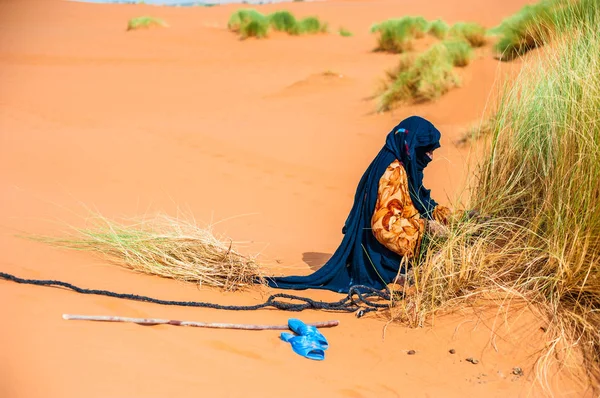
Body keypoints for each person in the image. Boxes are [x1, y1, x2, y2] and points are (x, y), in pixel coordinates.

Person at [266, 116, 451, 293]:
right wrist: (427, 233)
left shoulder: (404, 167)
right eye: (427, 150)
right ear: (411, 147)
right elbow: (384, 228)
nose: (431, 157)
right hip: (381, 258)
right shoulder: (393, 172)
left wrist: (451, 218)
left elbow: (423, 204)